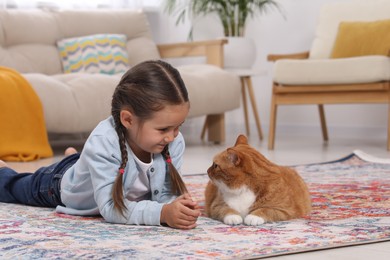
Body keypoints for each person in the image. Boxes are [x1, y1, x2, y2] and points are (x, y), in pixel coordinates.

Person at [0, 60, 201, 230]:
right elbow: (112, 208)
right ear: (128, 120)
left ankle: (76, 160)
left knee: (87, 162)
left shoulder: (173, 141)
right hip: (58, 185)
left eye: (178, 127)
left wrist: (178, 205)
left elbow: (167, 192)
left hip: (95, 162)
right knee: (15, 187)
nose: (172, 136)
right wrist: (163, 213)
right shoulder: (104, 142)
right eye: (163, 129)